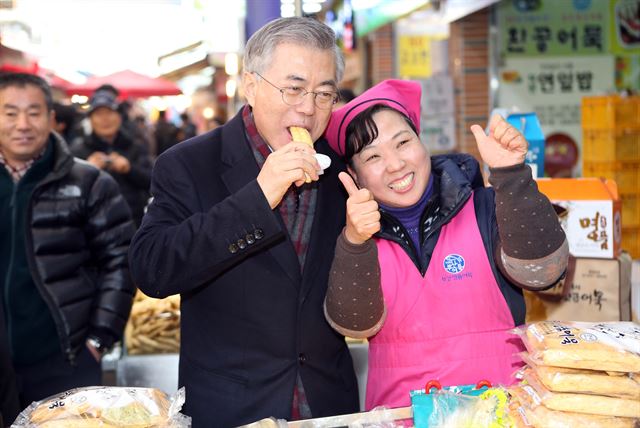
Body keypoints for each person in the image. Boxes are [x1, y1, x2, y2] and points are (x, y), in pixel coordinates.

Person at [129, 17, 359, 426]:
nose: (308, 108)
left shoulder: (344, 167)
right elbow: (153, 269)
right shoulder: (189, 164)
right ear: (251, 86)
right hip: (231, 407)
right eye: (293, 88)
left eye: (324, 93)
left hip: (328, 404)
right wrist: (258, 198)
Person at [323, 79, 569, 409]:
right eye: (373, 157)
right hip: (401, 416)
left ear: (422, 142)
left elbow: (544, 272)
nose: (396, 164)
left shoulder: (485, 207)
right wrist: (354, 241)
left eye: (403, 142)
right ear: (354, 175)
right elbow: (354, 323)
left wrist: (512, 176)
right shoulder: (356, 235)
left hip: (500, 412)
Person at [0, 73, 136, 408]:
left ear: (51, 119)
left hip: (65, 359)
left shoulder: (89, 182)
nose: (22, 124)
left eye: (33, 112)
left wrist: (98, 339)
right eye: (10, 113)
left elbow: (121, 260)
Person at [70, 90, 153, 227]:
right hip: (92, 224)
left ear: (119, 116)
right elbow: (69, 191)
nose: (105, 119)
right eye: (98, 114)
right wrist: (87, 170)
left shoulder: (135, 146)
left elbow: (152, 182)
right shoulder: (78, 149)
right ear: (90, 119)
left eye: (109, 112)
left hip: (134, 222)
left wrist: (129, 169)